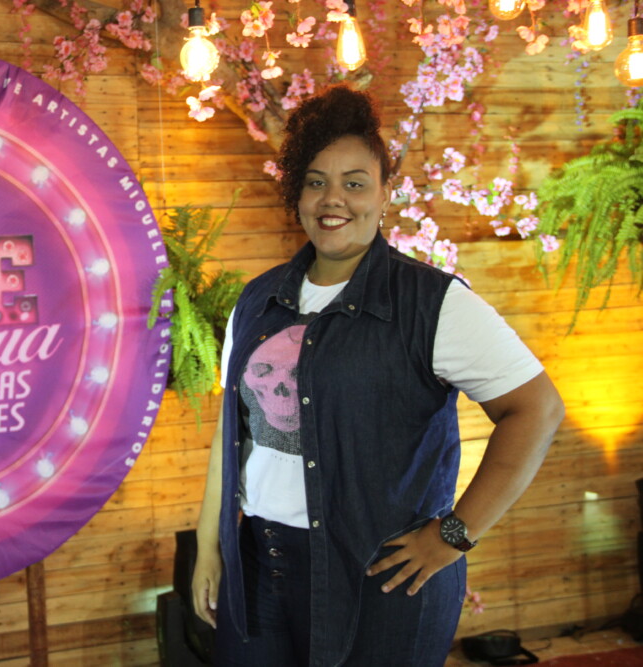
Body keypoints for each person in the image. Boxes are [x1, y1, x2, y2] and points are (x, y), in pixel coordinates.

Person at [189, 84, 565, 667]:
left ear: (386, 192)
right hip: (260, 566)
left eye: (355, 182)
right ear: (297, 193)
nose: (333, 199)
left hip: (382, 579)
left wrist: (455, 535)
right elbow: (230, 432)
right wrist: (210, 546)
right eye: (316, 181)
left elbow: (537, 409)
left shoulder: (433, 303)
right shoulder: (257, 300)